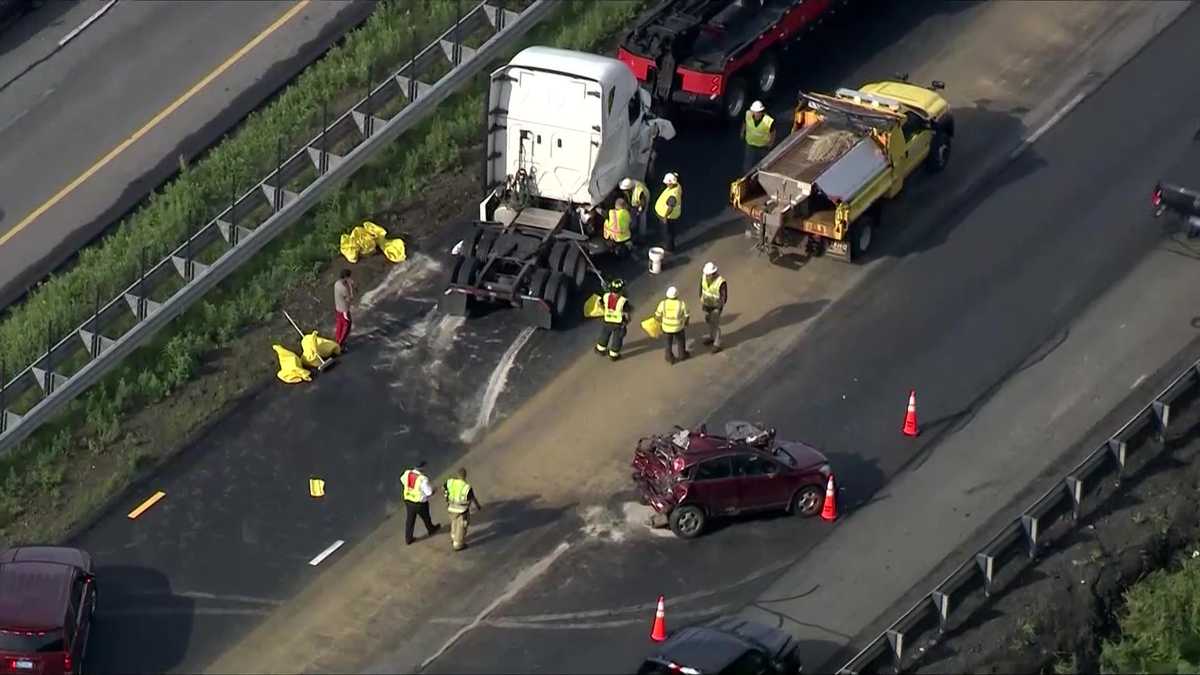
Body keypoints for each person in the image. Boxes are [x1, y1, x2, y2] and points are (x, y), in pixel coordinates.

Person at [400, 461, 440, 545]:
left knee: (410, 520)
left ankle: (408, 538)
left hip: (408, 500)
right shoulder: (423, 479)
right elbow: (429, 492)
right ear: (422, 468)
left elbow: (402, 480)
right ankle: (431, 529)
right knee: (426, 517)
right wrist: (434, 490)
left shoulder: (407, 473)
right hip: (419, 503)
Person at [443, 467, 483, 551]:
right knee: (461, 526)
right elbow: (472, 498)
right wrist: (478, 506)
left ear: (457, 475)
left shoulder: (450, 482)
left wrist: (446, 499)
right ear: (465, 476)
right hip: (462, 510)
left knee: (454, 522)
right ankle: (458, 544)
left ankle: (453, 536)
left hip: (451, 508)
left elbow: (444, 489)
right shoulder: (466, 488)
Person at [595, 278, 631, 361]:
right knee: (617, 339)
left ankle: (600, 349)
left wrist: (605, 311)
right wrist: (628, 320)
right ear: (621, 291)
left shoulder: (606, 296)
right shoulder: (623, 301)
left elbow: (600, 304)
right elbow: (626, 313)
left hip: (607, 320)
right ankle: (614, 354)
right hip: (618, 323)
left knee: (604, 335)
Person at [655, 285, 690, 365]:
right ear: (677, 295)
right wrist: (686, 323)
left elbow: (657, 316)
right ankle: (682, 355)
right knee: (681, 341)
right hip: (678, 328)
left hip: (666, 328)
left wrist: (659, 323)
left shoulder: (662, 304)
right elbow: (687, 315)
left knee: (668, 343)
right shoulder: (681, 304)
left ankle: (669, 357)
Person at [699, 261, 728, 353]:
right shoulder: (704, 277)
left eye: (709, 275)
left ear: (714, 273)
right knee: (709, 321)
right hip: (707, 304)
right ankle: (711, 337)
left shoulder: (721, 282)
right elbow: (701, 289)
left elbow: (723, 297)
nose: (707, 276)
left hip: (716, 306)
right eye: (706, 274)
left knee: (715, 324)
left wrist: (719, 307)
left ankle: (717, 343)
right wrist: (701, 299)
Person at [742, 100, 776, 172]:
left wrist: (771, 143)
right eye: (755, 112)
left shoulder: (768, 120)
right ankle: (746, 177)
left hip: (763, 146)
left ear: (762, 111)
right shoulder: (748, 115)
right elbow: (745, 123)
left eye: (759, 112)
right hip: (750, 144)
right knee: (747, 165)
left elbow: (773, 132)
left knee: (765, 163)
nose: (757, 114)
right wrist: (742, 132)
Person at [655, 173, 683, 252]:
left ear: (671, 183)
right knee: (670, 231)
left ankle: (668, 248)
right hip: (672, 216)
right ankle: (669, 245)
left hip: (669, 217)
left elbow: (670, 207)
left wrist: (665, 217)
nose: (666, 185)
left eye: (667, 183)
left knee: (667, 233)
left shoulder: (673, 195)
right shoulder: (677, 186)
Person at [620, 176, 650, 241]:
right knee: (634, 215)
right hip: (636, 201)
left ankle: (642, 234)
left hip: (643, 199)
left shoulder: (639, 192)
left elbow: (643, 203)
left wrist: (640, 211)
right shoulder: (630, 184)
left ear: (629, 188)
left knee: (642, 216)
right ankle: (634, 228)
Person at [333, 268, 355, 347]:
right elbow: (350, 298)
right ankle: (340, 344)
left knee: (339, 324)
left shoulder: (336, 284)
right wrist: (350, 286)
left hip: (338, 308)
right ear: (346, 277)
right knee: (347, 326)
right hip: (344, 310)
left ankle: (337, 339)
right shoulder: (344, 288)